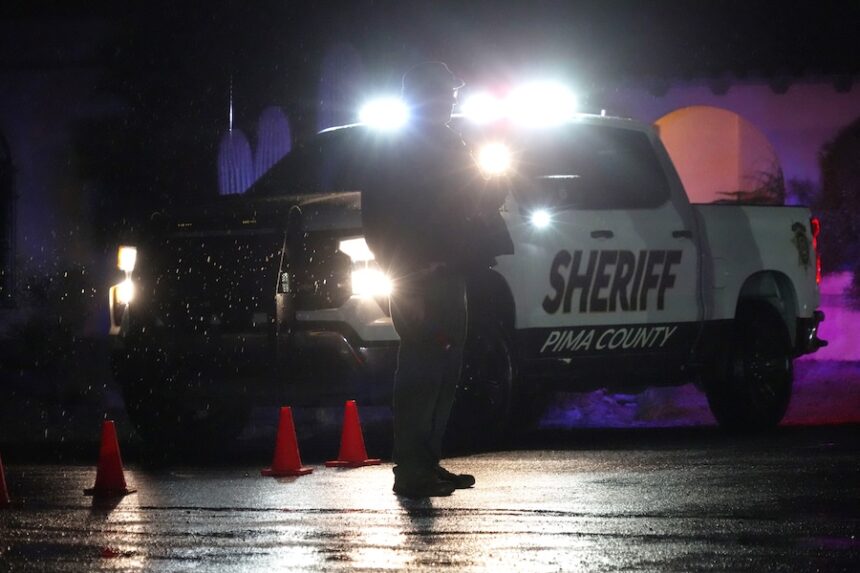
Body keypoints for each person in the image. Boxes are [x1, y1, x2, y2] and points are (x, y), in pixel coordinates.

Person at [361, 62, 513, 497]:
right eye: (447, 91)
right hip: (425, 276)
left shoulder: (416, 144)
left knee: (443, 368)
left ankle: (425, 462)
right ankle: (412, 468)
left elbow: (467, 201)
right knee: (426, 369)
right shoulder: (418, 147)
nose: (453, 98)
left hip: (441, 270)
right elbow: (388, 218)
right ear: (429, 95)